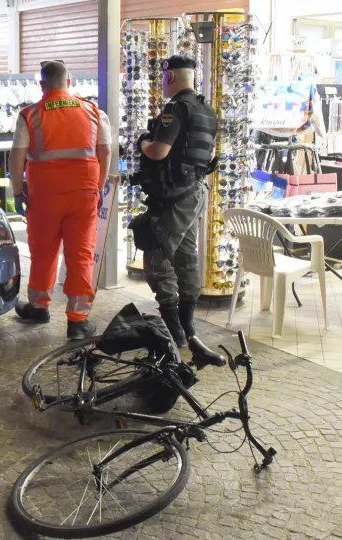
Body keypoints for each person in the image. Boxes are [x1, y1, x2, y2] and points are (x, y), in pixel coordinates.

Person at [132, 55, 224, 367]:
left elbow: (159, 151)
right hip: (195, 192)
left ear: (170, 76)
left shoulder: (175, 108)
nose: (161, 82)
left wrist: (143, 141)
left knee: (156, 256)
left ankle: (176, 331)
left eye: (163, 77)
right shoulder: (206, 109)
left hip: (174, 197)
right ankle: (188, 329)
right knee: (186, 258)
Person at [9, 61, 111, 340]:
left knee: (43, 251)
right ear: (70, 81)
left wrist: (18, 192)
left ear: (42, 85)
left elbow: (16, 157)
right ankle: (77, 320)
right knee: (81, 254)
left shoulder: (29, 115)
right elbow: (106, 152)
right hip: (83, 194)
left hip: (44, 196)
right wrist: (98, 188)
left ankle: (39, 306)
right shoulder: (93, 111)